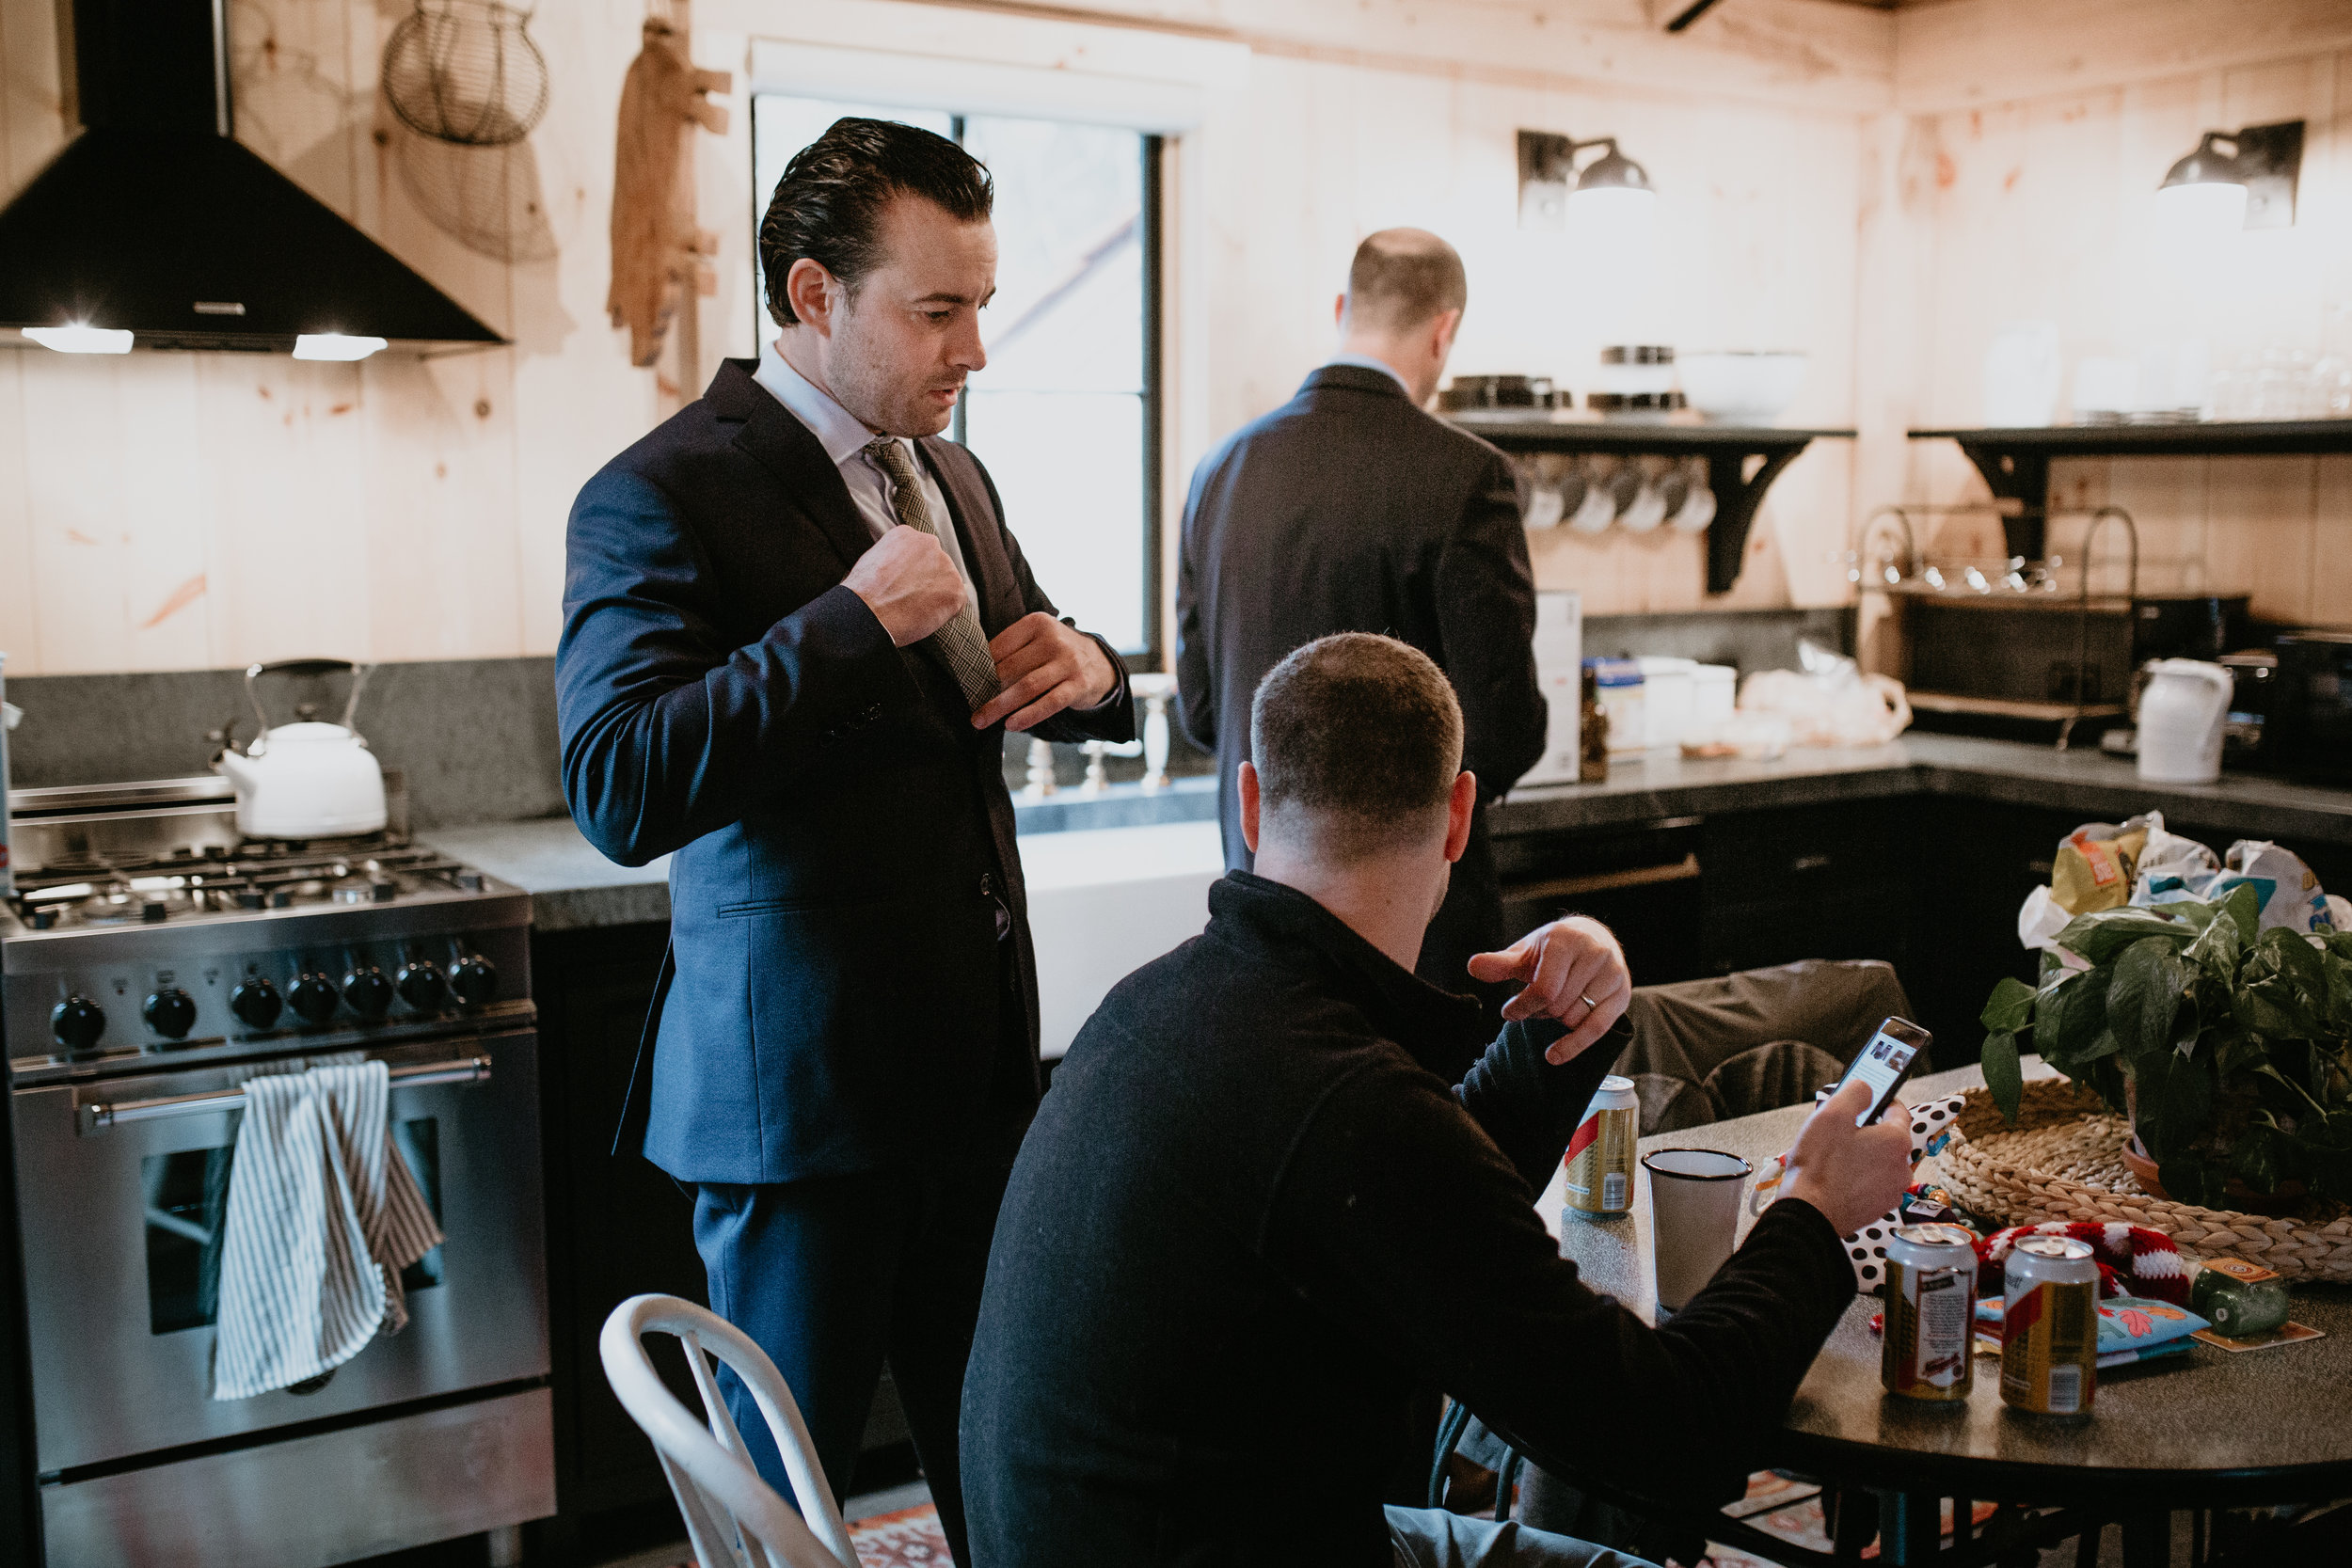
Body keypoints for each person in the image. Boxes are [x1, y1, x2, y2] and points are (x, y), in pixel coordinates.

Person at [961, 634, 1913, 1568]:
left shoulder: (1163, 1000)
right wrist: (1813, 1208)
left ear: (1249, 801)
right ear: (1461, 815)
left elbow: (1408, 1205)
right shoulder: (1346, 1097)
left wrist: (1552, 1032)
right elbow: (1672, 1430)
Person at [556, 118, 1133, 1563]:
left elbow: (1011, 667)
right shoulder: (656, 492)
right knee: (781, 1513)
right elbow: (618, 785)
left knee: (1010, 1451)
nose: (976, 348)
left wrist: (1094, 670)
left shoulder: (954, 472)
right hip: (795, 1109)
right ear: (816, 295)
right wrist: (838, 627)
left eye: (983, 303)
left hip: (978, 1080)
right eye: (939, 310)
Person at [1176, 229, 1549, 1031]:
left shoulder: (1219, 472)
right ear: (1444, 330)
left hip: (1262, 916)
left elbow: (1204, 714)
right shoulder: (1468, 476)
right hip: (1415, 934)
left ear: (1344, 308)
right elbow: (1505, 729)